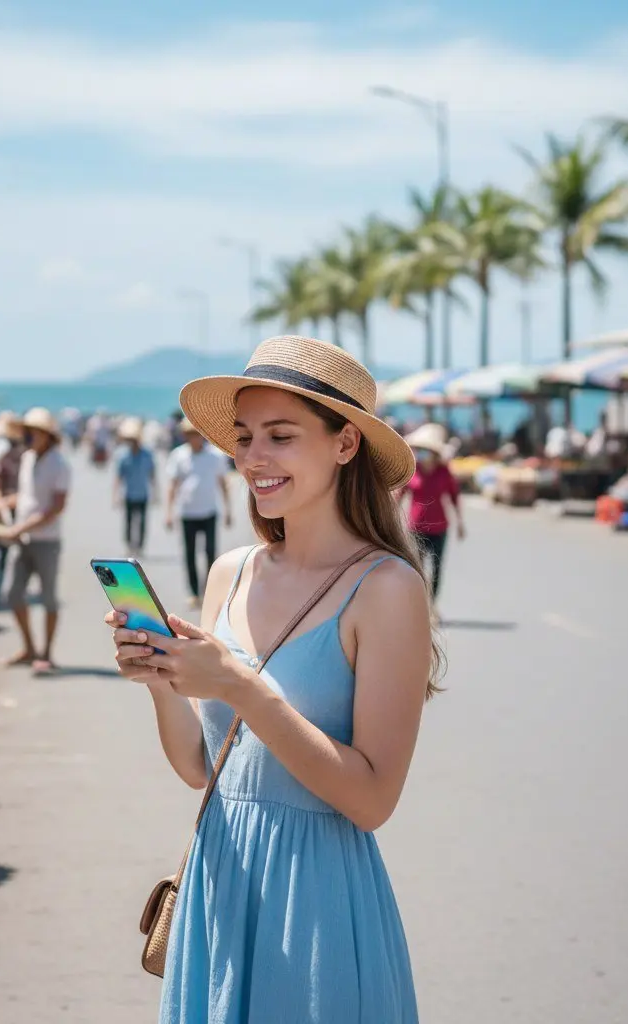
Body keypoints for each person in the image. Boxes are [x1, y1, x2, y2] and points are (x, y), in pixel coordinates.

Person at [106, 335, 438, 1023]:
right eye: (246, 436)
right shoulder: (232, 571)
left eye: (281, 436)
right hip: (218, 885)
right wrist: (161, 679)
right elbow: (201, 767)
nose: (253, 458)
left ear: (345, 444)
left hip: (316, 901)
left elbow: (373, 800)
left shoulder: (386, 589)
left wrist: (240, 688)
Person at [0, 408, 71, 674]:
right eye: (28, 432)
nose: (30, 436)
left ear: (47, 435)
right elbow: (27, 496)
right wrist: (5, 503)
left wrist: (22, 526)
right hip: (24, 537)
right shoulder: (27, 458)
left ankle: (46, 653)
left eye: (34, 432)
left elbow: (56, 507)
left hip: (46, 540)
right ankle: (29, 647)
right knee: (12, 593)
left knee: (48, 597)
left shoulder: (59, 464)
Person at [166, 420, 232, 607]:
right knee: (190, 555)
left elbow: (223, 483)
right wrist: (169, 512)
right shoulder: (178, 455)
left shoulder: (215, 456)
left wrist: (228, 510)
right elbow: (172, 485)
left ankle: (209, 590)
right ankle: (194, 592)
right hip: (187, 513)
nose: (193, 438)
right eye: (189, 434)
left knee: (210, 553)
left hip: (209, 512)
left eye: (196, 433)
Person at [400, 422, 465, 606]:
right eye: (419, 449)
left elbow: (454, 497)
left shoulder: (444, 473)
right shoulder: (413, 470)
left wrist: (460, 523)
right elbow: (399, 495)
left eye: (425, 450)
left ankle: (432, 605)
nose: (421, 454)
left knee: (436, 569)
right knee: (415, 570)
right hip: (416, 528)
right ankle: (418, 606)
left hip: (439, 528)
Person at [114, 417, 156, 557]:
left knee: (142, 523)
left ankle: (140, 547)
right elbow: (119, 477)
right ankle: (129, 546)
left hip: (143, 494)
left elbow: (152, 474)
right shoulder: (123, 455)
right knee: (129, 522)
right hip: (129, 494)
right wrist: (116, 494)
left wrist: (156, 492)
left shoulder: (147, 454)